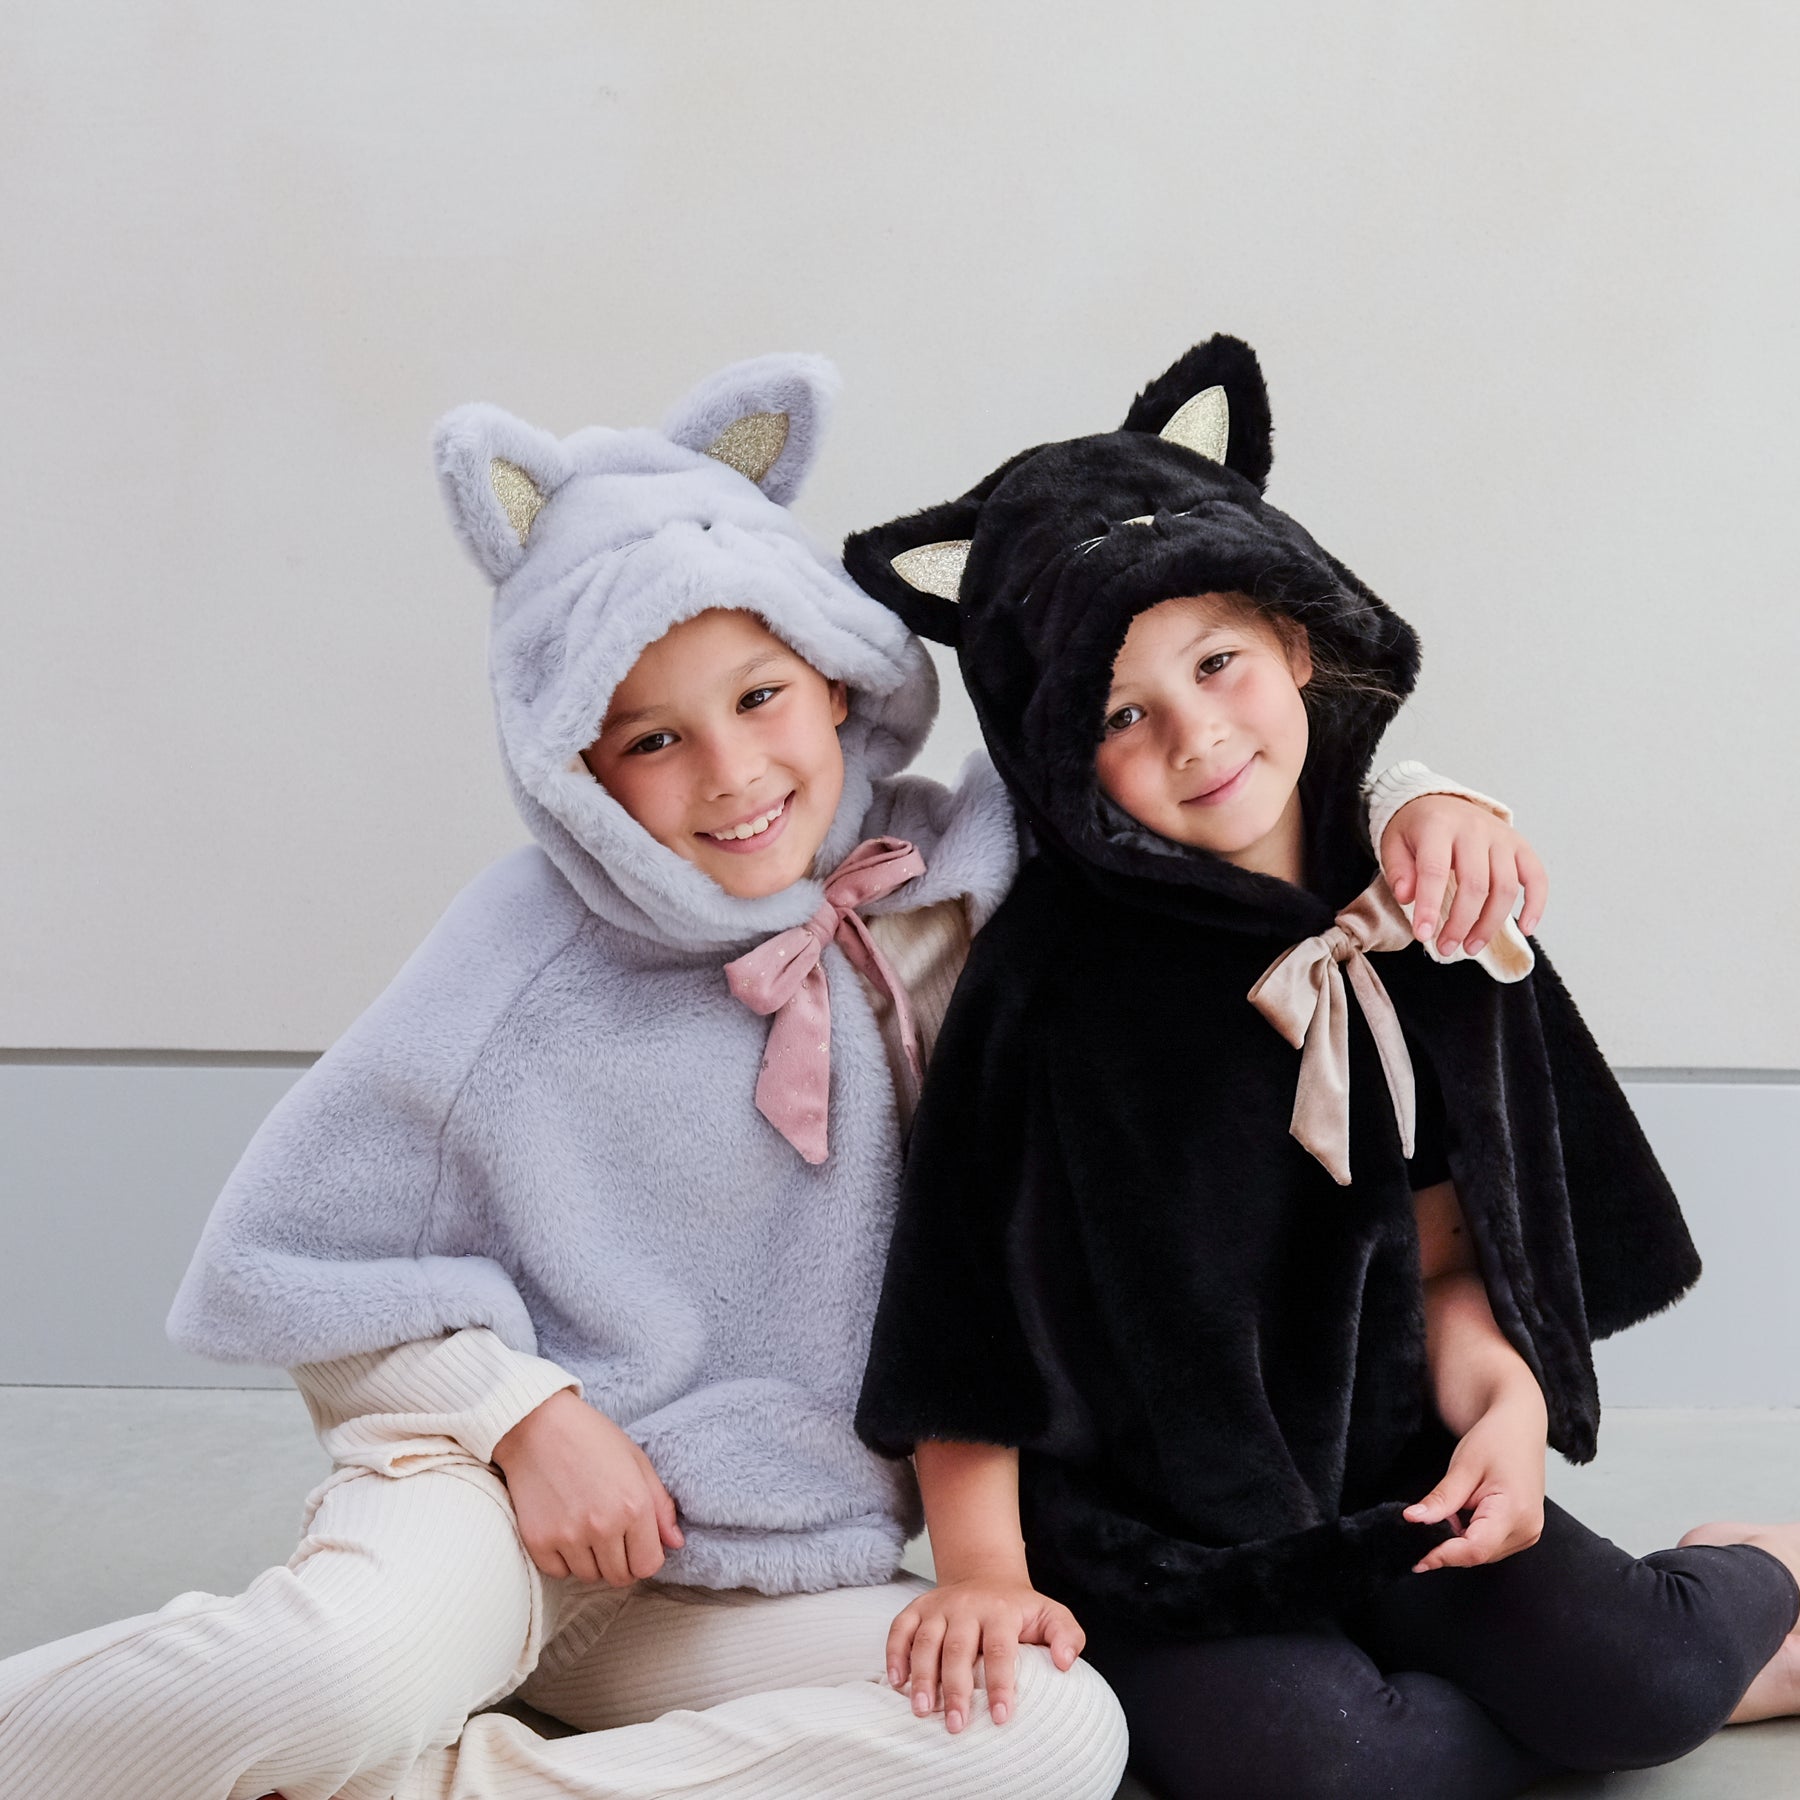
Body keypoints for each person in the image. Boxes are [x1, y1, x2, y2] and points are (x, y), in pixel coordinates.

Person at [0, 352, 1520, 1800]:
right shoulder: (515, 963)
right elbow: (294, 1261)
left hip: (754, 1572)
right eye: (649, 739)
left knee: (1047, 1732)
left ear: (841, 680)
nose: (730, 775)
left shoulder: (963, 866)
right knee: (339, 1677)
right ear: (573, 770)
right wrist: (524, 1415)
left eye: (760, 697)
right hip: (502, 1512)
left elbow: (1195, 773)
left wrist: (1411, 795)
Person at [846, 332, 1800, 1799]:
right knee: (1339, 1770)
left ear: (1295, 641)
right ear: (1056, 752)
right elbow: (961, 1305)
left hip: (1393, 1475)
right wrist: (982, 1569)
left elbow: (1449, 1255)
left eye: (1218, 663)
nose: (1197, 736)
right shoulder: (1048, 986)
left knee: (1648, 1681)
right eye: (1119, 714)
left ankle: (1744, 1585)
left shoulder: (1426, 911)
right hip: (1159, 1546)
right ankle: (1587, 1698)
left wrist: (1507, 1409)